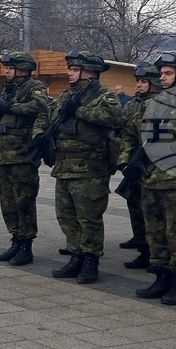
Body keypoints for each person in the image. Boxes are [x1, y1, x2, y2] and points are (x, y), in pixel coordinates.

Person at [35, 51, 122, 284]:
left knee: (89, 217)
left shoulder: (104, 96)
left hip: (90, 168)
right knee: (66, 215)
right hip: (64, 166)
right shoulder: (65, 96)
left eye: (75, 70)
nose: (70, 73)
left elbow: (114, 117)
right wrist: (40, 136)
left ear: (90, 72)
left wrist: (79, 111)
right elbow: (48, 116)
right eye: (70, 69)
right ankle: (76, 255)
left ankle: (91, 260)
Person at [132, 52, 176, 305]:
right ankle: (160, 277)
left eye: (168, 73)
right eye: (161, 73)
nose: (161, 77)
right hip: (151, 178)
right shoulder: (156, 102)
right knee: (155, 233)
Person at [0, 52, 49, 265]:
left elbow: (40, 106)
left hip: (22, 155)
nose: (6, 71)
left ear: (23, 69)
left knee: (24, 201)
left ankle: (26, 245)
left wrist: (14, 107)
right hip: (3, 156)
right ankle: (15, 240)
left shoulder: (34, 87)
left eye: (10, 68)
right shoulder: (5, 89)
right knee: (7, 202)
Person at [117, 65, 162, 270]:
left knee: (150, 212)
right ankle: (140, 239)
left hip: (151, 163)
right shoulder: (134, 102)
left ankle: (150, 251)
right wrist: (124, 160)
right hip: (135, 159)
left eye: (144, 82)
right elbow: (126, 131)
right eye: (139, 81)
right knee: (134, 204)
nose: (139, 85)